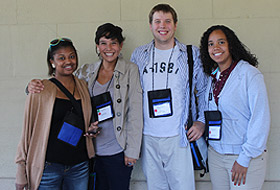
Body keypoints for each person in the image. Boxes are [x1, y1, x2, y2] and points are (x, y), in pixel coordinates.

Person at [27, 23, 143, 190]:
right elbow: (61, 86)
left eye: (113, 43)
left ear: (121, 45)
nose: (108, 48)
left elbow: (135, 111)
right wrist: (30, 87)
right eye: (103, 43)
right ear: (97, 46)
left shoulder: (130, 70)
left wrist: (132, 150)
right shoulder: (86, 71)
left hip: (118, 150)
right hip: (90, 150)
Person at [130, 4, 208, 190]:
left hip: (179, 135)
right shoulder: (139, 55)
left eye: (167, 21)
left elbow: (205, 90)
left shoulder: (190, 54)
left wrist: (201, 121)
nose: (162, 26)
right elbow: (130, 92)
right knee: (155, 186)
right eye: (157, 21)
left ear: (175, 25)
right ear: (150, 25)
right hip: (148, 136)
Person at [15, 38, 94, 190]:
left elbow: (85, 120)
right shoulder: (40, 89)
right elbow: (27, 132)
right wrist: (20, 171)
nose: (68, 61)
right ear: (52, 62)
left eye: (72, 56)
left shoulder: (83, 87)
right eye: (61, 58)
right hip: (48, 167)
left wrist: (91, 130)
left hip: (79, 166)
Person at [200, 25, 270, 190]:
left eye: (221, 42)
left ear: (230, 45)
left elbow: (260, 119)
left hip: (244, 157)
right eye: (210, 44)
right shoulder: (213, 77)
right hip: (216, 155)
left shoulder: (249, 74)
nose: (216, 47)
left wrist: (244, 159)